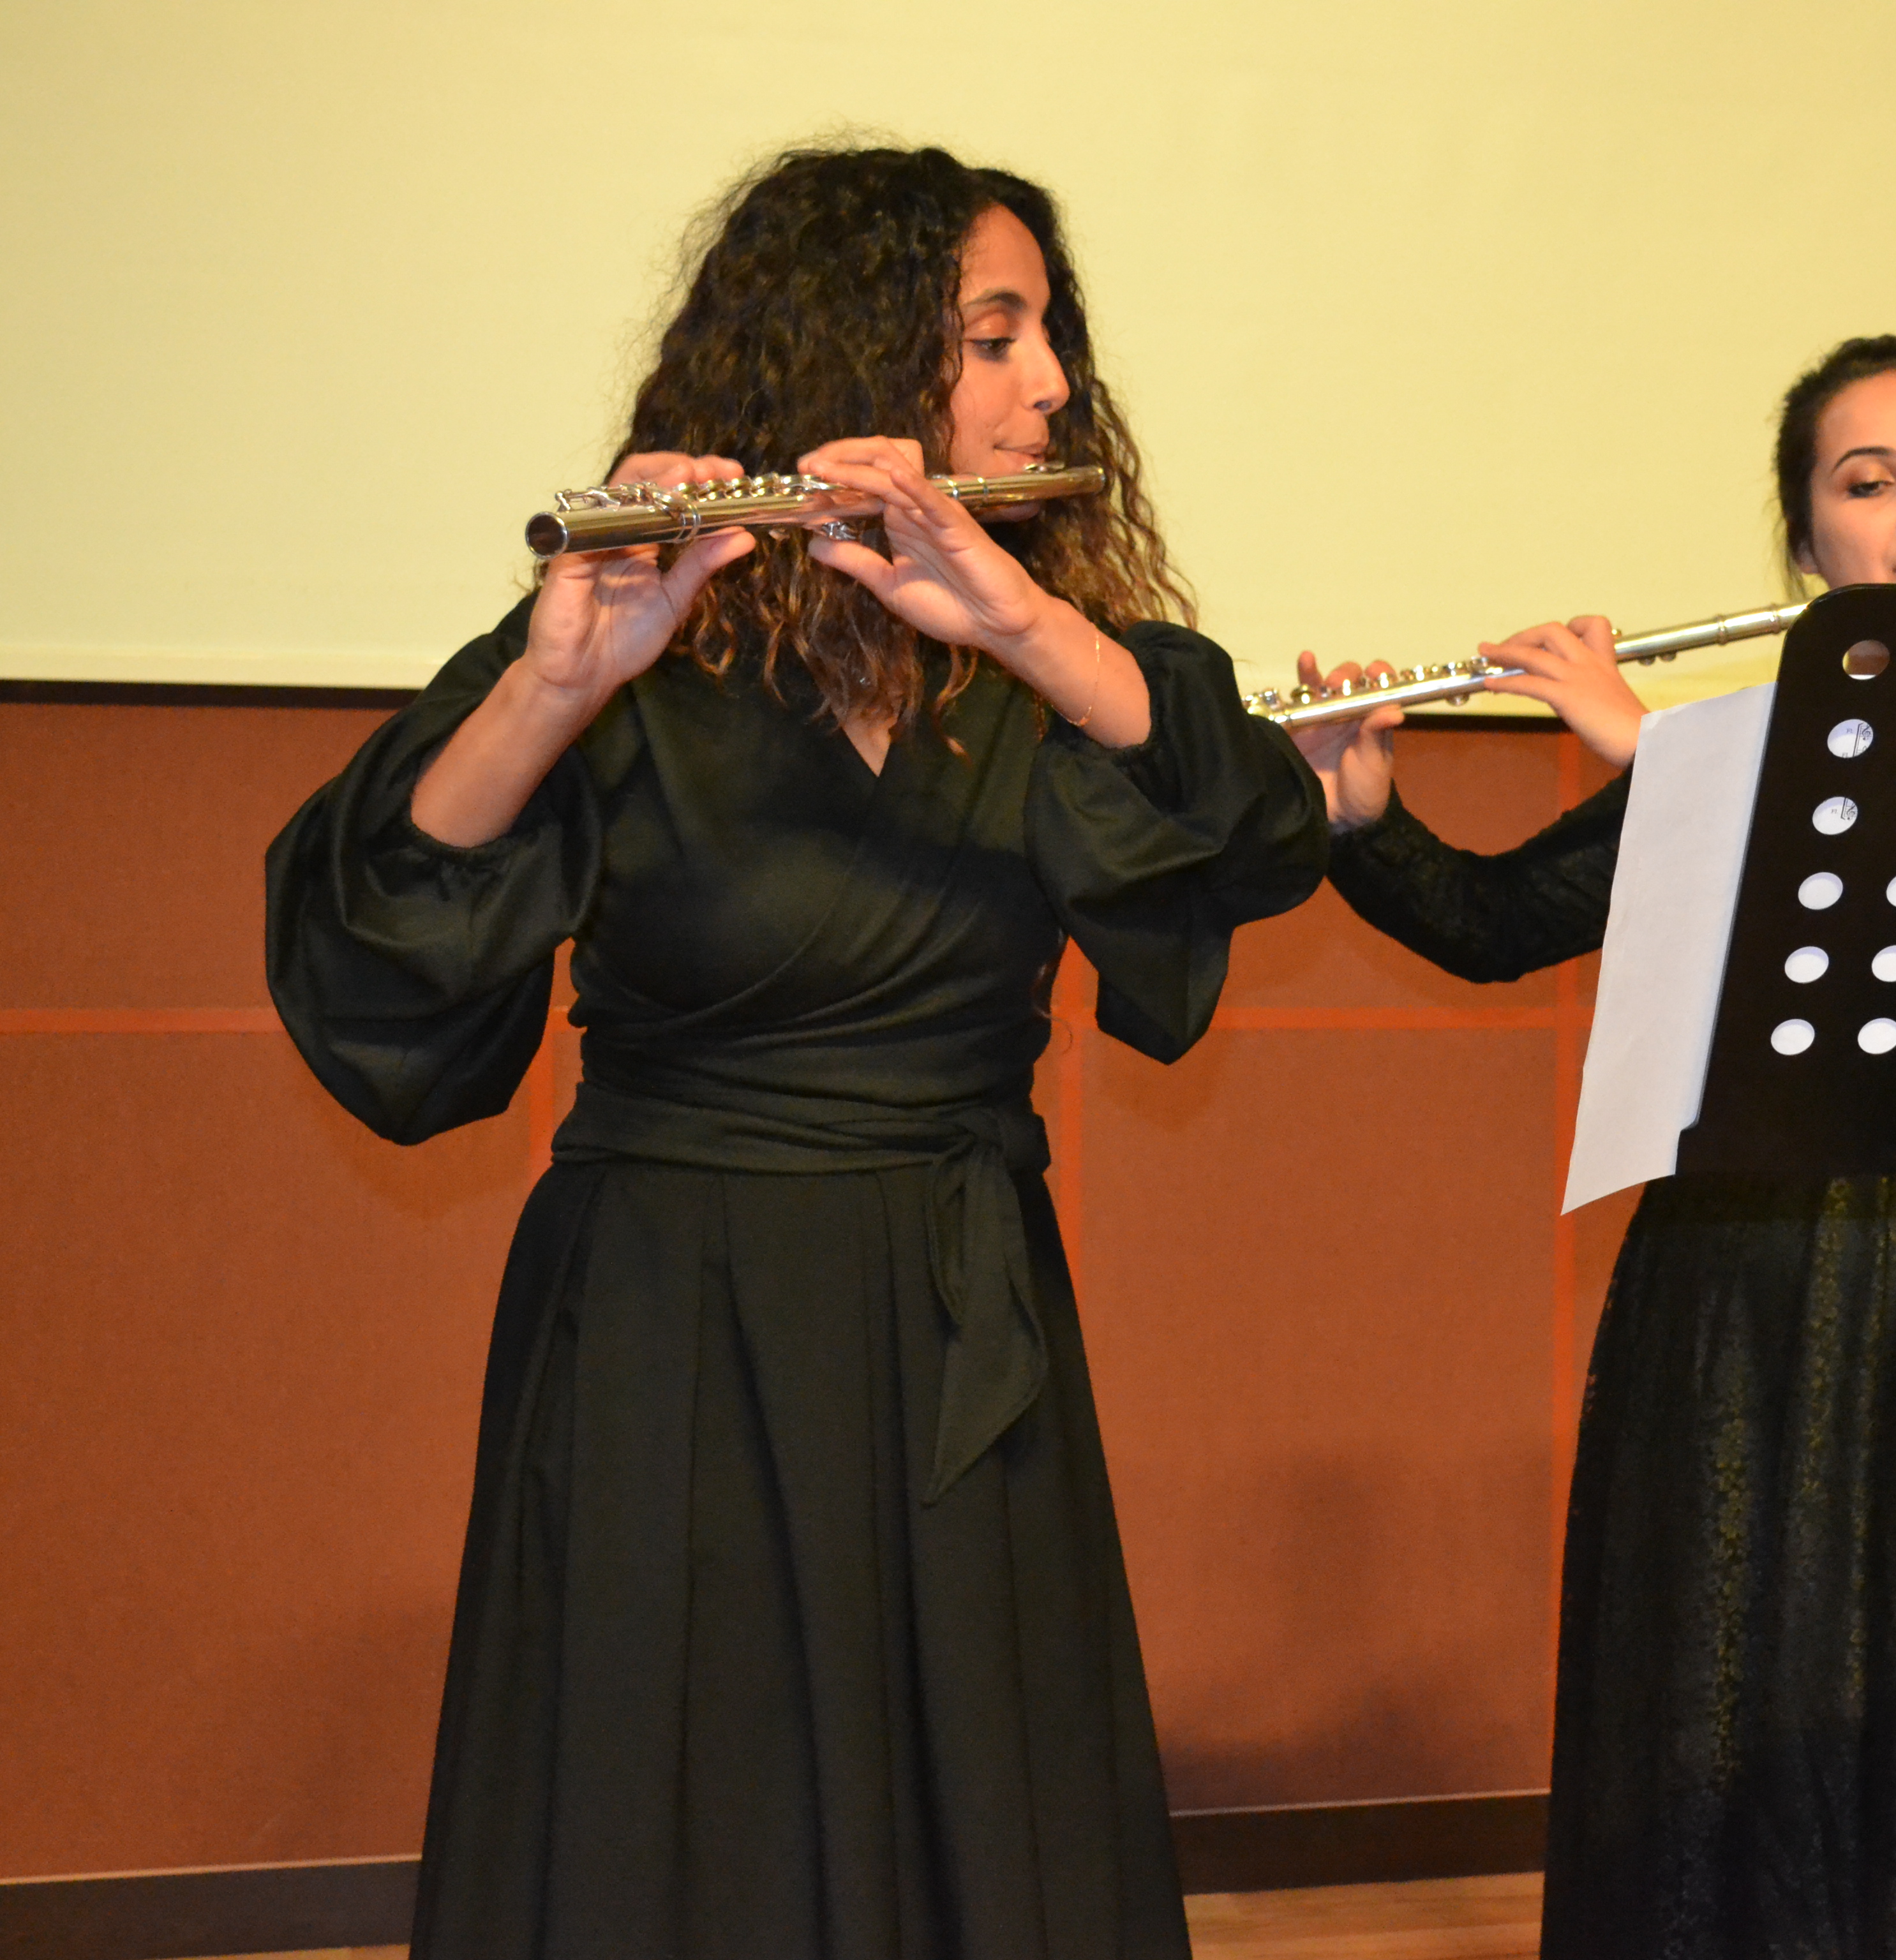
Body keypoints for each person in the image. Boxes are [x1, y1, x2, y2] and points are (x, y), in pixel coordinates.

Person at [265, 146, 1327, 1960]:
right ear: (858, 357)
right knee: (681, 1811)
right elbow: (370, 949)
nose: (1052, 384)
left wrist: (1026, 621)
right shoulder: (630, 637)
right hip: (670, 1319)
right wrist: (558, 682)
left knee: (974, 1809)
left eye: (1049, 336)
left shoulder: (1046, 661)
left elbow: (1253, 839)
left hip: (956, 1316)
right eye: (995, 337)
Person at [1292, 337, 1896, 1959]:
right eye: (1869, 486)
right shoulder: (1752, 736)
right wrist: (1365, 820)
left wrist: (1661, 755)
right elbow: (1493, 925)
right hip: (1750, 1292)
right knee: (1739, 1702)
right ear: (1809, 550)